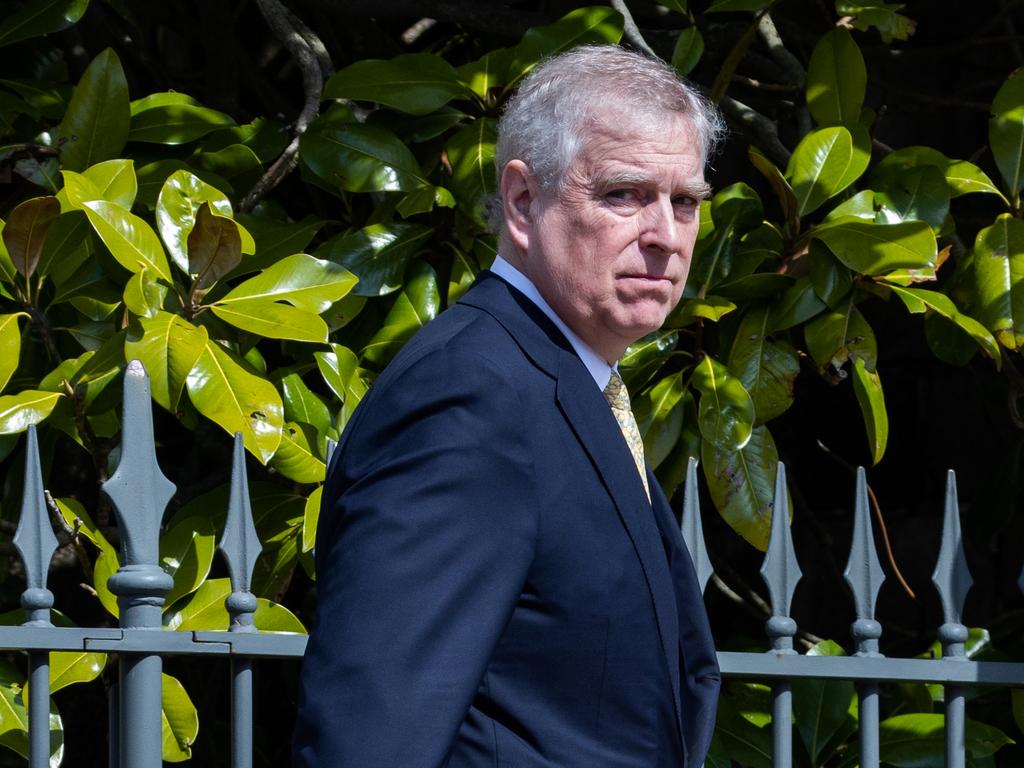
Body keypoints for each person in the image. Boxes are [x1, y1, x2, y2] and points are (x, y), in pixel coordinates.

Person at [293, 44, 725, 768]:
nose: (665, 237)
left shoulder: (555, 379)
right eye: (624, 194)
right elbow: (369, 736)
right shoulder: (471, 396)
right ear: (524, 201)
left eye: (684, 202)